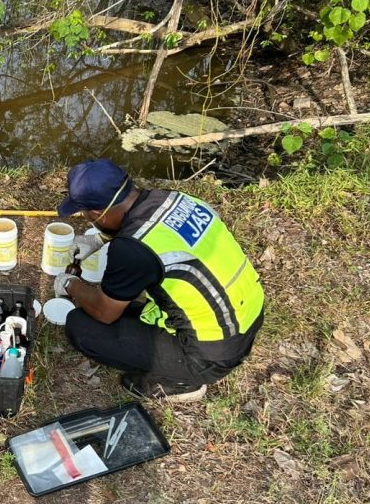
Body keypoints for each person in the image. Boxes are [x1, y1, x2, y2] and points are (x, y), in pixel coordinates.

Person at [53, 159, 264, 402]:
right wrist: (100, 239)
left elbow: (104, 312)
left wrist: (71, 285)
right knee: (126, 303)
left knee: (82, 327)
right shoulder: (173, 199)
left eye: (86, 214)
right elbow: (160, 233)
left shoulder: (132, 251)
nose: (88, 219)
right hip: (245, 319)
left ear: (97, 213)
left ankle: (182, 382)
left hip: (210, 354)